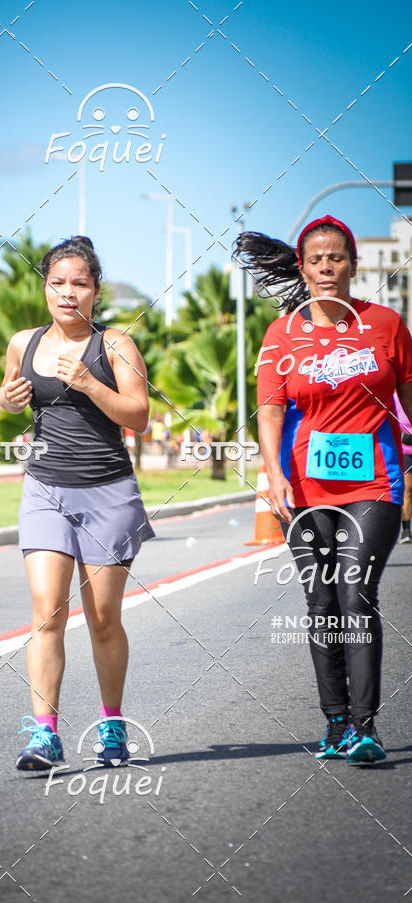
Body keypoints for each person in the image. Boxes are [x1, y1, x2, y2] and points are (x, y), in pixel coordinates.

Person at [235, 214, 412, 764]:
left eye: (337, 257)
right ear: (302, 268)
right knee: (322, 602)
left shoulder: (386, 325)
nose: (327, 267)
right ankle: (334, 723)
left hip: (375, 481)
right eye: (316, 259)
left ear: (353, 267)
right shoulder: (281, 334)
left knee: (356, 595)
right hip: (305, 490)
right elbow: (268, 411)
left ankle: (366, 727)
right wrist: (275, 477)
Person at [0, 235, 154, 771]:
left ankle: (112, 726)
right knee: (47, 613)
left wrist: (89, 383)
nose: (68, 293)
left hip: (107, 491)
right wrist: (7, 398)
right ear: (45, 286)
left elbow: (138, 416)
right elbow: (6, 392)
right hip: (44, 489)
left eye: (79, 284)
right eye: (57, 283)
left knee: (104, 617)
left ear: (95, 291)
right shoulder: (25, 342)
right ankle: (44, 735)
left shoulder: (115, 346)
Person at [393, 392, 412, 543]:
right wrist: (402, 436)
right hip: (406, 450)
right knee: (408, 489)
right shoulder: (396, 398)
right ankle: (406, 530)